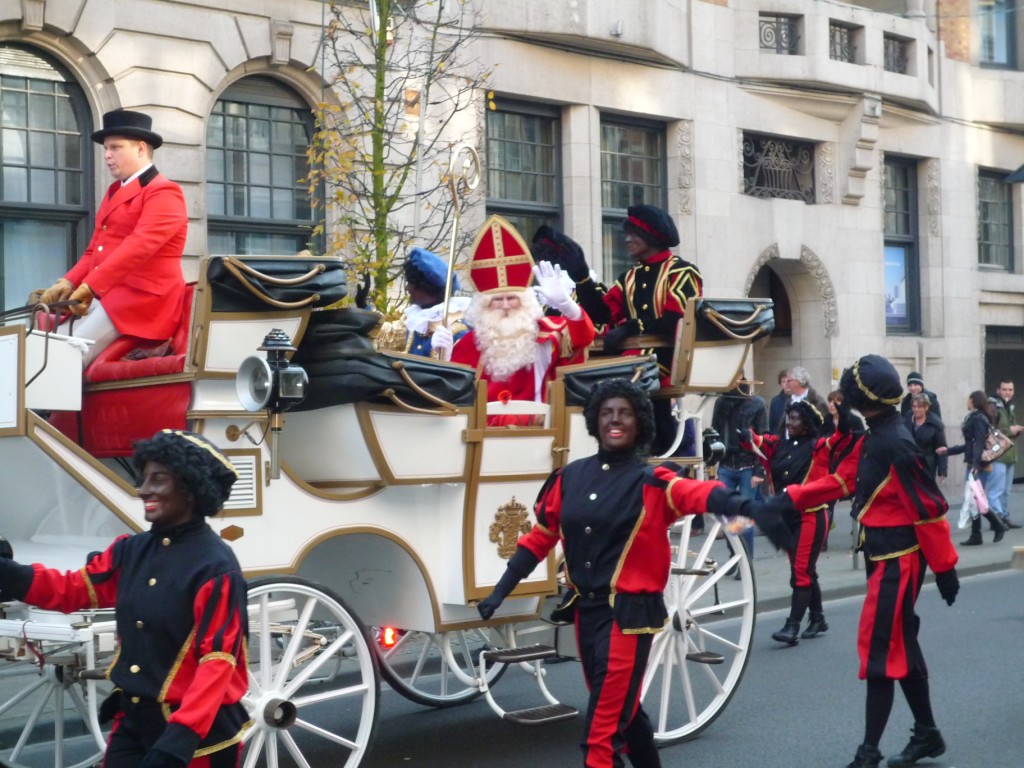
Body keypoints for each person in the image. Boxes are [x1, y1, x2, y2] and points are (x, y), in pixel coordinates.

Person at [713, 354, 959, 768]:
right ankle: (928, 733)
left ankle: (868, 754)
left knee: (879, 649)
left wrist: (947, 567)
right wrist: (785, 499)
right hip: (884, 556)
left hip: (899, 560)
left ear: (861, 398)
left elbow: (929, 507)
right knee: (903, 643)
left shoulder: (893, 442)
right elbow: (841, 481)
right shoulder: (875, 435)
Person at [476, 378, 721, 768]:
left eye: (624, 413)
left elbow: (694, 495)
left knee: (601, 736)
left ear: (639, 421)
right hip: (587, 615)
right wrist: (500, 591)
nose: (615, 420)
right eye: (607, 413)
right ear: (595, 420)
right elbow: (540, 538)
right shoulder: (571, 477)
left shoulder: (652, 480)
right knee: (626, 712)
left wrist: (743, 500)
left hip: (628, 614)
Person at [0, 429, 248, 767]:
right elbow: (72, 589)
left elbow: (218, 662)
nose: (143, 488)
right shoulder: (130, 551)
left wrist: (179, 741)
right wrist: (8, 571)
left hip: (195, 738)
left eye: (157, 479)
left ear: (190, 488)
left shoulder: (216, 567)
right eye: (143, 478)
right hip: (133, 723)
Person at [537, 209, 703, 456]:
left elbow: (676, 319)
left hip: (664, 362)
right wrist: (581, 276)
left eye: (633, 234)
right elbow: (602, 314)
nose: (627, 240)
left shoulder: (682, 272)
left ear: (652, 236)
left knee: (617, 382)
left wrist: (631, 327)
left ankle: (644, 447)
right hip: (632, 360)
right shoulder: (629, 278)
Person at [29, 109, 187, 367]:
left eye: (115, 147)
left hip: (142, 302)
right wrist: (67, 281)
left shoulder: (164, 191)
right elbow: (94, 251)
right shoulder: (115, 190)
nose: (107, 155)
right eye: (105, 148)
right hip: (111, 297)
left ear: (140, 148)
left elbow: (138, 246)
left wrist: (90, 286)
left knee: (63, 356)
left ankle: (43, 406)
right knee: (42, 348)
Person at [442, 219, 594, 423]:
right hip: (482, 436)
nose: (505, 305)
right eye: (497, 299)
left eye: (512, 298)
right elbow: (451, 395)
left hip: (537, 434)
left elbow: (582, 339)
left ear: (525, 302)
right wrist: (444, 356)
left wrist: (567, 306)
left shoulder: (545, 335)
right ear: (485, 306)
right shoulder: (470, 343)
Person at [744, 400, 846, 645]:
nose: (790, 423)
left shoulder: (818, 447)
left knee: (800, 572)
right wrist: (742, 432)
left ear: (807, 422)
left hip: (811, 515)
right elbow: (754, 440)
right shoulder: (778, 445)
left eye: (796, 419)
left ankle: (792, 626)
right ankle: (818, 617)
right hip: (785, 517)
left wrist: (844, 411)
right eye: (788, 418)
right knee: (803, 571)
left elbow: (842, 438)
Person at [373, 247, 470, 358]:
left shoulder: (458, 331)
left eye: (410, 282)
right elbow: (386, 338)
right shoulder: (415, 320)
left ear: (424, 286)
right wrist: (363, 309)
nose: (407, 288)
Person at [711, 378, 768, 565]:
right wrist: (713, 463)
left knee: (744, 517)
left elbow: (763, 438)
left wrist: (759, 471)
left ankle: (746, 560)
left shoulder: (757, 403)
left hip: (748, 467)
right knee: (727, 515)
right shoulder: (721, 402)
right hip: (726, 465)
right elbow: (715, 432)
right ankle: (734, 557)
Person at [942, 390, 1006, 545]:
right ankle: (977, 534)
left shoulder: (978, 419)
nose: (967, 402)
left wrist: (976, 465)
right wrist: (949, 451)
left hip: (978, 466)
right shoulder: (977, 417)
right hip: (976, 464)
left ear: (973, 401)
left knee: (976, 499)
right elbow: (970, 445)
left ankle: (996, 526)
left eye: (969, 399)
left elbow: (978, 443)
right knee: (974, 500)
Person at [987, 379, 1023, 528]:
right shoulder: (994, 406)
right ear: (998, 390)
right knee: (997, 490)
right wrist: (1011, 430)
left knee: (1006, 491)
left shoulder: (1009, 407)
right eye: (1004, 389)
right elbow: (990, 429)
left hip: (1009, 454)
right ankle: (997, 519)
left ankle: (1003, 515)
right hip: (998, 455)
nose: (1007, 392)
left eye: (1010, 389)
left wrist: (1014, 431)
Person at [904, 394, 947, 482]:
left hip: (927, 466)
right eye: (914, 406)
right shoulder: (906, 420)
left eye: (919, 407)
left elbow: (941, 448)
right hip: (908, 465)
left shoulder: (935, 424)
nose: (916, 409)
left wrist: (942, 470)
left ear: (926, 407)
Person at [779, 366, 829, 436]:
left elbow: (826, 428)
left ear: (798, 381)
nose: (786, 384)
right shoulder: (789, 400)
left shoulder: (817, 401)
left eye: (789, 381)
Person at [768, 369, 792, 435]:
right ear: (780, 384)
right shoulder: (775, 401)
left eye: (789, 381)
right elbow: (772, 424)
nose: (787, 384)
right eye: (784, 381)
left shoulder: (800, 399)